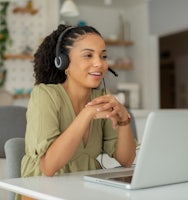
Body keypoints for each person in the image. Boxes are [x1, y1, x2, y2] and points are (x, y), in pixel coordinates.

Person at [19, 24, 136, 200]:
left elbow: (126, 161)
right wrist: (87, 114)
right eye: (88, 55)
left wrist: (124, 120)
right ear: (63, 62)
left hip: (84, 190)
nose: (99, 63)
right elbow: (49, 167)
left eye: (103, 56)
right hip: (43, 192)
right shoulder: (45, 95)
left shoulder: (103, 97)